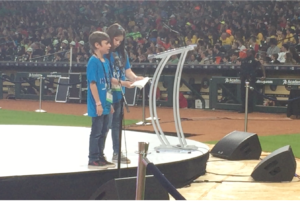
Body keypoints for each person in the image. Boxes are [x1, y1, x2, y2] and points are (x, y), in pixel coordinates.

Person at [106, 23, 144, 164]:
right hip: (108, 94)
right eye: (115, 40)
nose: (117, 43)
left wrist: (135, 78)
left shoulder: (122, 53)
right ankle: (98, 155)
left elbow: (127, 71)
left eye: (120, 41)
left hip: (119, 95)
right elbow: (106, 76)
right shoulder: (105, 53)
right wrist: (124, 83)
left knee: (116, 125)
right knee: (105, 126)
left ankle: (117, 152)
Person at [86, 31, 115, 168]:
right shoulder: (93, 61)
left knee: (104, 131)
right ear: (97, 45)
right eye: (106, 43)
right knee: (96, 132)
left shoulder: (106, 61)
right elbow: (93, 84)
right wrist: (98, 103)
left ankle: (101, 156)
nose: (109, 45)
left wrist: (110, 103)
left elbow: (108, 82)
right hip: (98, 103)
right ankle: (93, 157)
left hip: (106, 103)